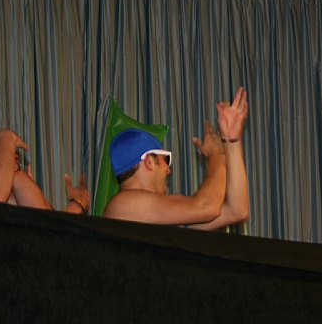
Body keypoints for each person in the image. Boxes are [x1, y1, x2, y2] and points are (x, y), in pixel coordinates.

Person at [103, 87, 249, 230]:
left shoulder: (158, 216)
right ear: (149, 162)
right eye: (166, 160)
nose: (168, 170)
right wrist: (215, 155)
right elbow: (207, 207)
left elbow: (237, 211)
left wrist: (231, 142)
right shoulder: (122, 205)